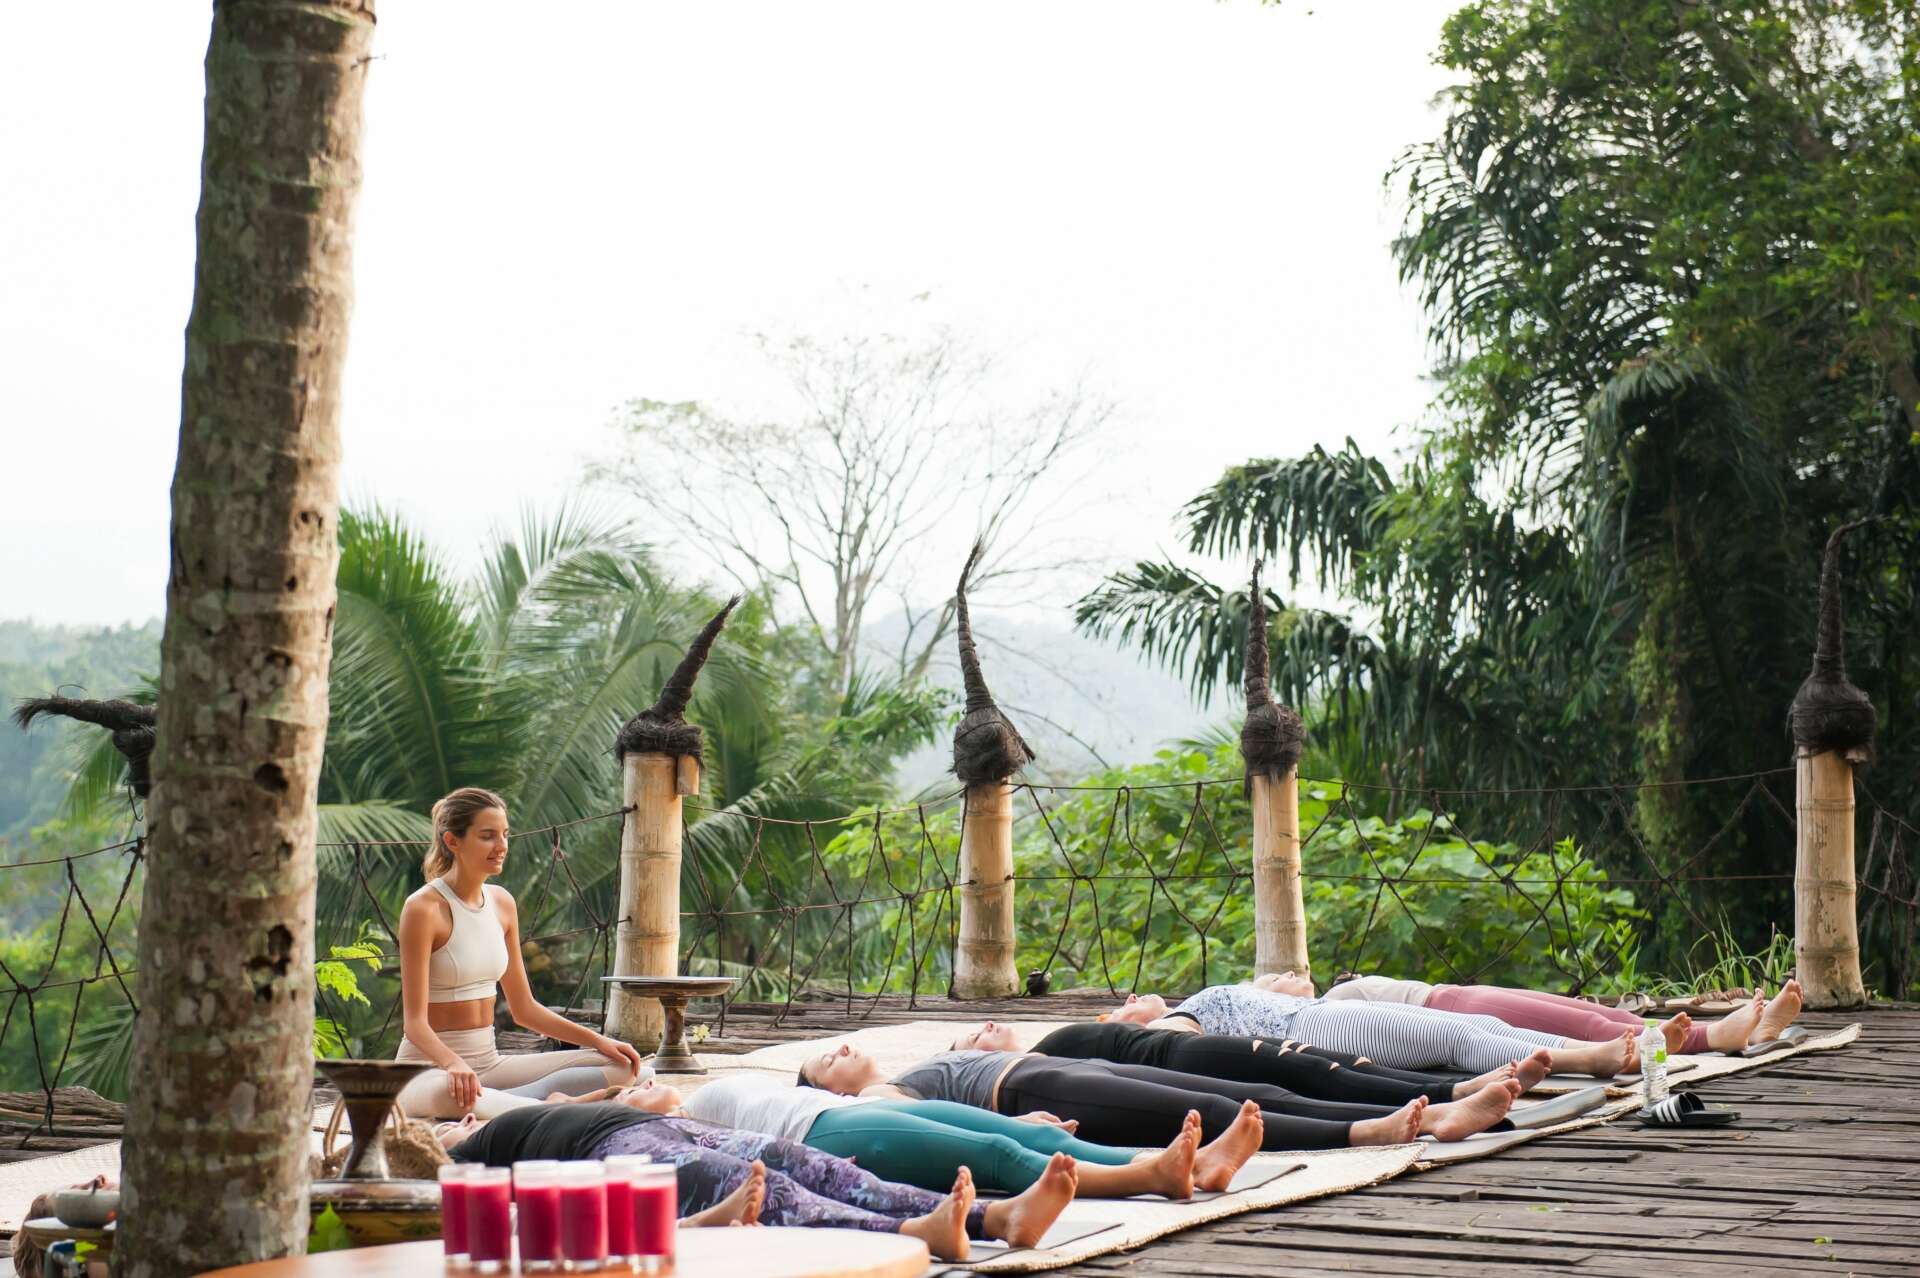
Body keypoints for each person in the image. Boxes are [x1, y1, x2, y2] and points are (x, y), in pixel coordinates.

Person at [438, 1088, 1075, 1262]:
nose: (443, 1127)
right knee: (770, 1192)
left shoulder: (495, 1124)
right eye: (433, 1131)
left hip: (662, 1125)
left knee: (811, 1164)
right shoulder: (466, 1164)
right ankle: (915, 1232)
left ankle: (995, 1216)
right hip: (617, 1153)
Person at [396, 788, 645, 1118]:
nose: (501, 846)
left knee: (627, 1067)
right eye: (487, 836)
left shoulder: (502, 903)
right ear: (452, 841)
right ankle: (548, 1107)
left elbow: (524, 1009)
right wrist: (453, 1064)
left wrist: (599, 1041)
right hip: (428, 1071)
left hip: (489, 1064)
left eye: (505, 834)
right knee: (456, 1095)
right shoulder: (423, 908)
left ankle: (514, 1103)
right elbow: (414, 1024)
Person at [799, 1041, 1438, 1154]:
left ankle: (1426, 1114)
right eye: (827, 1062)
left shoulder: (910, 1063)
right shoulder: (876, 1094)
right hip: (1033, 1088)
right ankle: (1366, 1130)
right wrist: (1019, 1130)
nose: (842, 1051)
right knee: (1222, 1115)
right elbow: (919, 1119)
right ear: (832, 1090)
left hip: (1068, 1070)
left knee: (1252, 1091)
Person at [949, 1018, 1529, 1140]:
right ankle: (1438, 1105)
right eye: (973, 1037)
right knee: (1294, 1084)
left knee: (1317, 1070)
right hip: (1181, 1059)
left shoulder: (1060, 1043)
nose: (986, 1027)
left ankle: (1449, 1097)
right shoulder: (1046, 1055)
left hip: (1177, 1050)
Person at [682, 1070, 1232, 1195]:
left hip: (851, 1109)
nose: (645, 1083)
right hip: (827, 1133)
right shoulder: (672, 1123)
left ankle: (1194, 1161)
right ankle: (1149, 1177)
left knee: (1037, 1137)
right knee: (997, 1153)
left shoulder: (693, 1095)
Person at [1110, 983, 1636, 1078]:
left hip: (1317, 1014)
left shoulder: (1195, 1005)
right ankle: (1586, 1059)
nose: (1132, 998)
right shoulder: (1168, 1025)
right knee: (1455, 1040)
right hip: (1319, 1029)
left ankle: (1586, 1048)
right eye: (1120, 1008)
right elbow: (1176, 1044)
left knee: (1475, 1025)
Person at [1274, 971, 1805, 1057]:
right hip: (1452, 1009)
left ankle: (1743, 1030)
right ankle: (1712, 1038)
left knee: (1579, 1010)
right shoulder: (1325, 1010)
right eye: (1279, 977)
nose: (1293, 973)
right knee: (1587, 1026)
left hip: (1453, 997)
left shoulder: (1330, 1000)